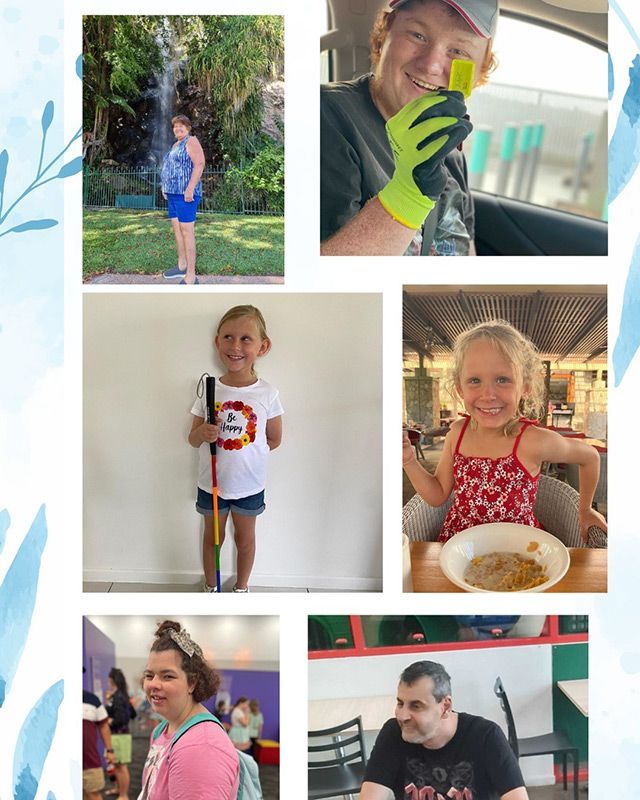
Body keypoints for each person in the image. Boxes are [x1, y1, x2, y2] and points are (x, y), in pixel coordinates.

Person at [321, 0, 499, 256]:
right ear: (385, 35)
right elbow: (324, 281)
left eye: (458, 51)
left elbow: (468, 258)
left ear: (478, 73)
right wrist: (408, 194)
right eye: (417, 35)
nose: (431, 65)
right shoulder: (327, 115)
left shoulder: (451, 152)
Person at [402, 320, 608, 541]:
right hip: (462, 548)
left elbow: (590, 457)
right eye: (474, 380)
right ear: (460, 388)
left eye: (502, 380)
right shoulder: (457, 435)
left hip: (518, 551)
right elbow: (438, 494)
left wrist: (585, 510)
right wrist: (409, 462)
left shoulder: (533, 440)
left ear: (525, 386)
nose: (488, 394)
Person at [189, 305, 284, 592]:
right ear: (217, 342)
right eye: (228, 337)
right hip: (212, 486)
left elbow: (275, 439)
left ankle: (241, 587)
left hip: (250, 486)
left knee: (245, 540)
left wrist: (247, 455)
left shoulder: (268, 393)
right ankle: (211, 586)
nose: (236, 346)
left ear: (263, 346)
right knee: (212, 539)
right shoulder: (208, 389)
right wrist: (203, 433)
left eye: (246, 339)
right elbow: (192, 438)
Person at [361, 660, 529, 799]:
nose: (403, 715)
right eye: (400, 703)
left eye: (416, 706)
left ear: (445, 706)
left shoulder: (485, 736)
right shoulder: (393, 734)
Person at [138, 620, 239, 799]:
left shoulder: (201, 748)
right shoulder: (162, 729)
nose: (153, 684)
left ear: (192, 682)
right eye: (149, 675)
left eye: (167, 676)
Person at [160, 115, 205, 285]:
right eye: (175, 126)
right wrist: (165, 187)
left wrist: (190, 188)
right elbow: (169, 168)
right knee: (177, 229)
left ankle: (191, 276)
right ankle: (181, 266)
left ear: (188, 127)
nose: (178, 128)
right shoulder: (175, 145)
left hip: (186, 194)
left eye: (181, 126)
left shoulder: (191, 141)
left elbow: (199, 164)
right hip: (172, 193)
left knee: (187, 231)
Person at [83, 673, 116, 800]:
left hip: (90, 761)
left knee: (93, 794)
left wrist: (109, 750)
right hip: (60, 762)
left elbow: (103, 726)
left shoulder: (92, 700)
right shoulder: (52, 698)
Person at [105, 667, 134, 799]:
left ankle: (124, 795)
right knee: (116, 765)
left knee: (121, 766)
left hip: (120, 736)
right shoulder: (120, 695)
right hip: (117, 735)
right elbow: (133, 713)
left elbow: (122, 718)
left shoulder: (119, 697)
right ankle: (118, 789)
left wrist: (110, 721)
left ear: (112, 680)